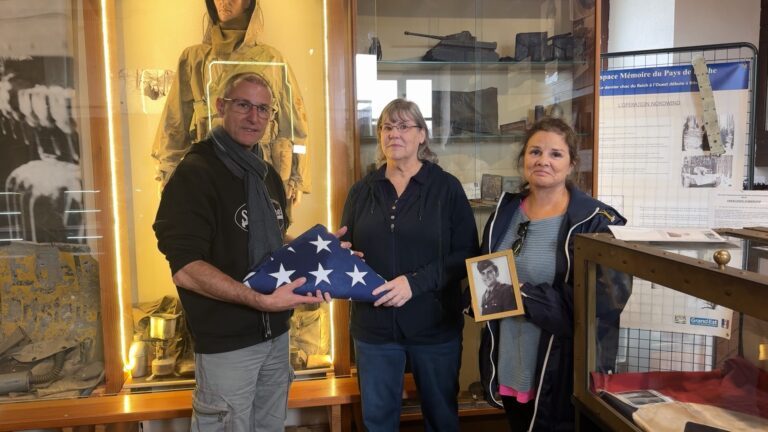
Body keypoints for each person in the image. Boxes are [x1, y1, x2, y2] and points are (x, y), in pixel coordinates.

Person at [153, 72, 329, 432]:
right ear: (221, 107)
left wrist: (321, 252)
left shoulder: (266, 174)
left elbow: (275, 239)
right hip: (227, 348)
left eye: (263, 109)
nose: (254, 117)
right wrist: (257, 300)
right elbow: (185, 267)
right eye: (244, 105)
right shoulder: (195, 173)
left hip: (276, 337)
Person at [476, 117, 631, 431]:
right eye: (535, 152)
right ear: (524, 159)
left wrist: (526, 295)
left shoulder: (596, 222)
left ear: (572, 164)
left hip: (559, 369)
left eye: (555, 154)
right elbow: (486, 273)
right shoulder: (504, 213)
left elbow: (604, 303)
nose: (543, 160)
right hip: (509, 359)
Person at [341, 98, 479, 432]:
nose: (394, 134)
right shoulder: (361, 192)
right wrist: (342, 256)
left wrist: (413, 283)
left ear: (422, 136)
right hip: (373, 328)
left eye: (404, 126)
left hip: (434, 327)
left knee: (441, 418)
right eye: (387, 127)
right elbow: (346, 250)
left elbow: (466, 254)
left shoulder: (446, 189)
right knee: (377, 421)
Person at [152, 0, 310, 213]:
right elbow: (175, 123)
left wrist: (297, 178)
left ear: (248, 3)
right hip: (210, 169)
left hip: (262, 170)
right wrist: (168, 173)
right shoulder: (194, 58)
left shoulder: (273, 59)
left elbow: (294, 125)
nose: (223, 2)